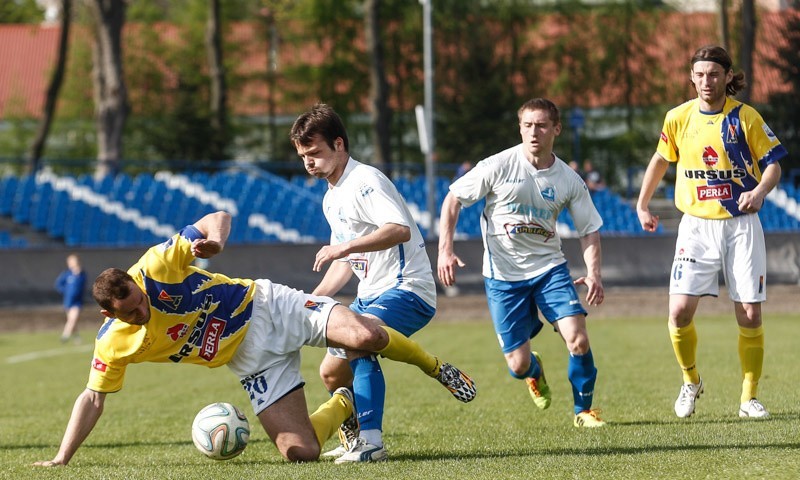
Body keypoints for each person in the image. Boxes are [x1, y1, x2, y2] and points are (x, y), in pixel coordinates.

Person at [33, 211, 475, 467]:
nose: (142, 309)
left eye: (139, 300)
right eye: (130, 313)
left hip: (267, 306)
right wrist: (61, 458)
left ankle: (434, 366)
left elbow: (218, 217)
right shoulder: (112, 343)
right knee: (301, 453)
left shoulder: (153, 268)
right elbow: (93, 398)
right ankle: (344, 405)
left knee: (366, 334)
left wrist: (216, 244)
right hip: (248, 360)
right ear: (108, 314)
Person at [290, 103, 476, 463]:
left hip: (408, 289)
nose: (309, 162)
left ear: (339, 144)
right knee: (330, 372)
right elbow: (346, 263)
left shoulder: (366, 181)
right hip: (371, 296)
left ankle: (372, 443)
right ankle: (354, 438)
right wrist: (310, 301)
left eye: (315, 153)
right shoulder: (332, 196)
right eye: (303, 156)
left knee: (359, 343)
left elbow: (398, 230)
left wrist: (343, 246)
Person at [636, 45, 787, 419]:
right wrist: (642, 204)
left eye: (714, 74)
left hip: (741, 226)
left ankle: (748, 397)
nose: (707, 81)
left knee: (750, 314)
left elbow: (773, 166)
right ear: (691, 77)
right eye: (700, 74)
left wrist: (759, 190)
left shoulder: (745, 117)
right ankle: (691, 381)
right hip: (696, 226)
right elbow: (660, 160)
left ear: (726, 76)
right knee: (679, 312)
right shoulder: (678, 118)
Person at [437, 98, 607, 428]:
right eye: (527, 125)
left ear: (556, 129)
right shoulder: (498, 165)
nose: (534, 132)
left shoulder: (569, 180)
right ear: (519, 128)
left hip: (550, 270)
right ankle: (534, 371)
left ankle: (583, 411)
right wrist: (445, 250)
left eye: (542, 125)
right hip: (503, 277)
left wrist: (594, 273)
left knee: (578, 339)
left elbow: (589, 229)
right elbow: (453, 199)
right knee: (517, 365)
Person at [54, 253, 87, 343]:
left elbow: (81, 287)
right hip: (68, 301)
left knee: (72, 319)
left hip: (77, 302)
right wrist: (66, 292)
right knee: (71, 321)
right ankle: (77, 337)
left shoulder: (82, 274)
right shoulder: (67, 274)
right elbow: (58, 284)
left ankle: (65, 336)